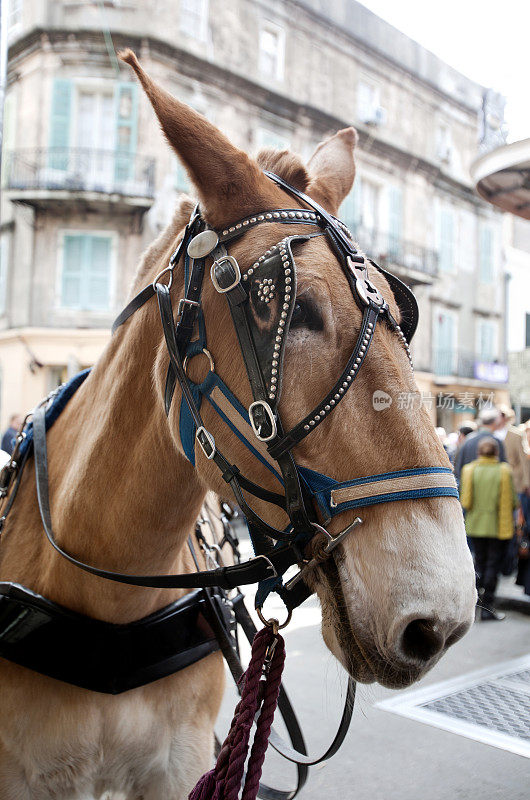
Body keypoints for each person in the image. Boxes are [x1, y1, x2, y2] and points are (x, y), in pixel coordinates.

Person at [460, 437, 519, 621]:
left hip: (475, 525)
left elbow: (466, 501)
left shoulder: (469, 470)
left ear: (479, 452)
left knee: (478, 564)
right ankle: (487, 609)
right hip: (497, 527)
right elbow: (513, 501)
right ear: (496, 452)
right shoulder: (504, 471)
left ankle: (471, 606)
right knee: (493, 565)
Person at [454, 407, 506, 483]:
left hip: (469, 485)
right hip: (492, 487)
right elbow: (503, 467)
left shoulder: (468, 440)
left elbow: (458, 467)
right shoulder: (497, 441)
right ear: (494, 423)